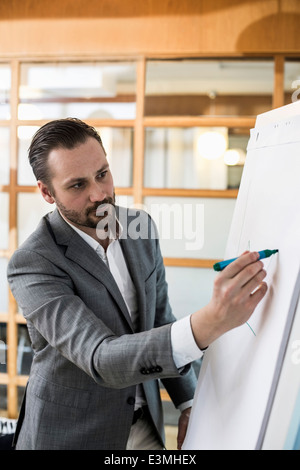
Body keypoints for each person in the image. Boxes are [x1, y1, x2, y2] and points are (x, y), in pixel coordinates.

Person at [7, 118, 268, 450]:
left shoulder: (138, 226)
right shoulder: (33, 262)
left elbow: (159, 319)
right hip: (73, 436)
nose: (100, 193)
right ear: (47, 192)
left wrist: (188, 403)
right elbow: (100, 356)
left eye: (102, 174)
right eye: (77, 185)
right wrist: (209, 323)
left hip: (146, 426)